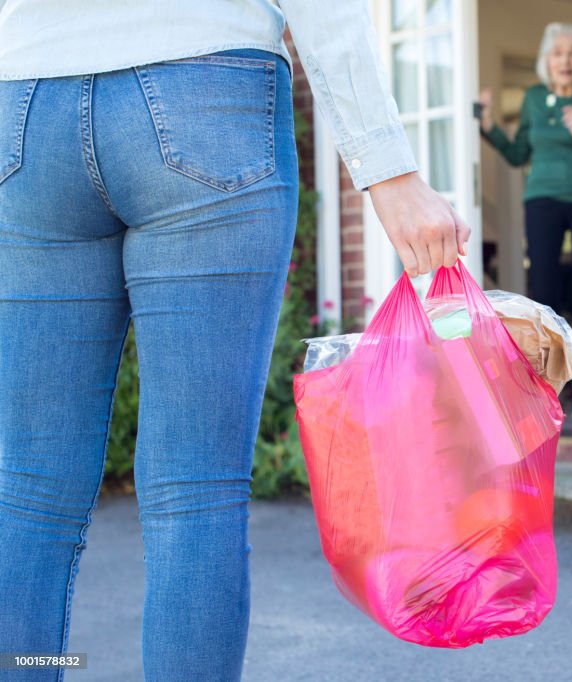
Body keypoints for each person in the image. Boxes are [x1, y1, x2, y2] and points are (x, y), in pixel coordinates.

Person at [0, 1, 469, 680]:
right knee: (193, 491)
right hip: (206, 87)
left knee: (30, 493)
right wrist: (389, 171)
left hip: (23, 109)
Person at [479, 21, 572, 421]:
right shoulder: (534, 99)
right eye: (558, 54)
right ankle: (548, 387)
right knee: (543, 294)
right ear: (546, 62)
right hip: (542, 199)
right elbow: (518, 153)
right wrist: (488, 126)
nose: (565, 61)